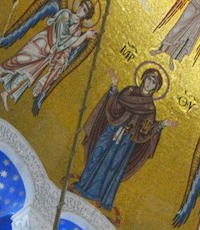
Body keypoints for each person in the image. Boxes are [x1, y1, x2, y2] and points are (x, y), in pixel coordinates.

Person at [73, 68, 172, 220]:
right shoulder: (130, 91)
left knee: (114, 165)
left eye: (153, 82)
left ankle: (101, 195)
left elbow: (146, 130)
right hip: (112, 128)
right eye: (148, 79)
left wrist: (160, 125)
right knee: (98, 152)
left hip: (127, 140)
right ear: (143, 78)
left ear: (155, 88)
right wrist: (114, 87)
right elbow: (114, 105)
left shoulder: (150, 108)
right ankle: (83, 184)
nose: (149, 83)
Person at [0, 0, 97, 115]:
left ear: (86, 15)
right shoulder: (66, 14)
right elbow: (62, 39)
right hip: (42, 42)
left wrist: (62, 59)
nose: (81, 9)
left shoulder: (78, 30)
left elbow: (67, 49)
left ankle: (6, 92)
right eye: (82, 6)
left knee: (28, 75)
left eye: (85, 10)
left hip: (48, 55)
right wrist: (85, 36)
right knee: (20, 59)